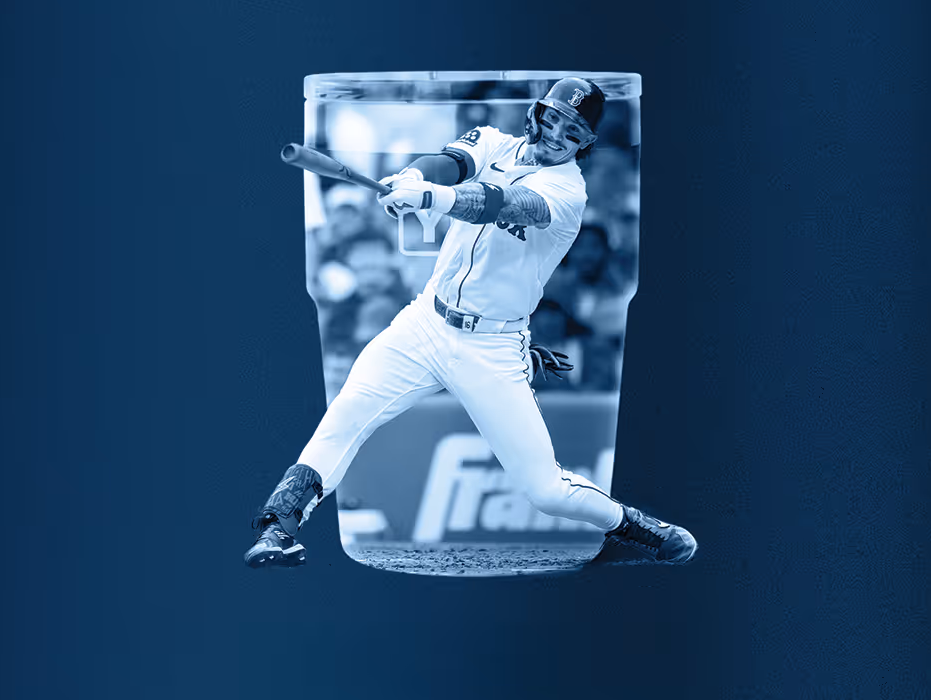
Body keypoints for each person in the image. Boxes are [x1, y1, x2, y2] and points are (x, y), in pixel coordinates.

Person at [244, 77, 697, 568]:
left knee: (544, 489)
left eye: (571, 130)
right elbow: (449, 163)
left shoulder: (568, 193)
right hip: (424, 321)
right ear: (537, 114)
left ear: (584, 143)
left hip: (493, 346)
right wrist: (414, 178)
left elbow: (499, 202)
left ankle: (629, 524)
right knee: (346, 414)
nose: (556, 134)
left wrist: (434, 199)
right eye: (553, 118)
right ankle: (278, 526)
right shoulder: (493, 141)